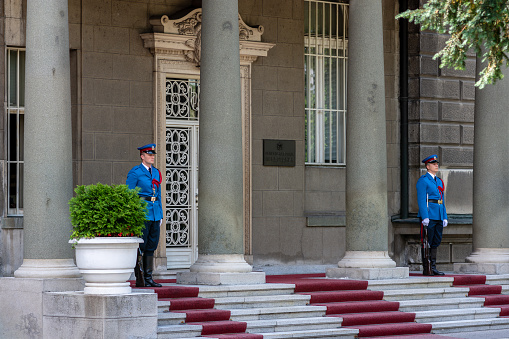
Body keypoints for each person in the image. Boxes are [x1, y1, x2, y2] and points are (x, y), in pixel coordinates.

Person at [127, 143, 163, 287]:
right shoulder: (135, 172)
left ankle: (149, 278)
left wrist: (160, 214)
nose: (152, 157)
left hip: (155, 213)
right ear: (142, 156)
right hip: (142, 212)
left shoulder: (156, 172)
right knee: (142, 245)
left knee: (152, 245)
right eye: (149, 154)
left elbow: (158, 194)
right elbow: (130, 193)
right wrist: (134, 213)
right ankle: (140, 276)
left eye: (153, 155)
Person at [416, 154, 448, 276]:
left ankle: (433, 267)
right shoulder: (423, 181)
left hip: (439, 215)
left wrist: (444, 216)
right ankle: (427, 267)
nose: (436, 165)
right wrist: (425, 216)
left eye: (437, 164)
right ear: (427, 166)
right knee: (426, 241)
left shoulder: (439, 181)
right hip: (429, 215)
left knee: (436, 241)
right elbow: (422, 199)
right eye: (434, 164)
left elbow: (442, 200)